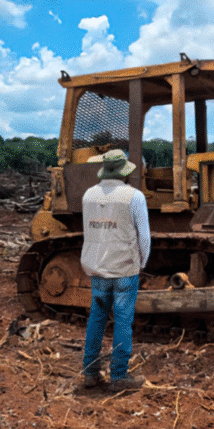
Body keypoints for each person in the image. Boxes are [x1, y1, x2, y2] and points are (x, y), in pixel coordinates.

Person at [80, 149, 151, 392]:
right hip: (124, 269)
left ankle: (90, 373)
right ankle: (118, 377)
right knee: (122, 321)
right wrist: (141, 263)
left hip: (97, 269)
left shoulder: (88, 195)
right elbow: (144, 236)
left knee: (96, 320)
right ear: (124, 172)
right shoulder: (134, 197)